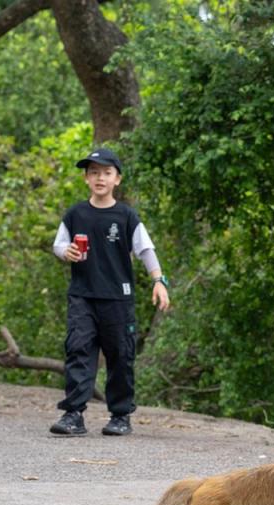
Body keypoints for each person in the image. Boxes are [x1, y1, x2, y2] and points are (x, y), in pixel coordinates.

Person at [50, 148, 170, 437]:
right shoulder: (76, 213)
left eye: (106, 172)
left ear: (117, 179)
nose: (99, 177)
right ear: (86, 179)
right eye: (93, 172)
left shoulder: (126, 216)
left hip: (118, 297)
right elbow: (58, 244)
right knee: (78, 350)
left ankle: (120, 416)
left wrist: (159, 281)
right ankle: (73, 414)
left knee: (120, 355)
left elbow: (145, 250)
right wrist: (65, 252)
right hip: (82, 295)